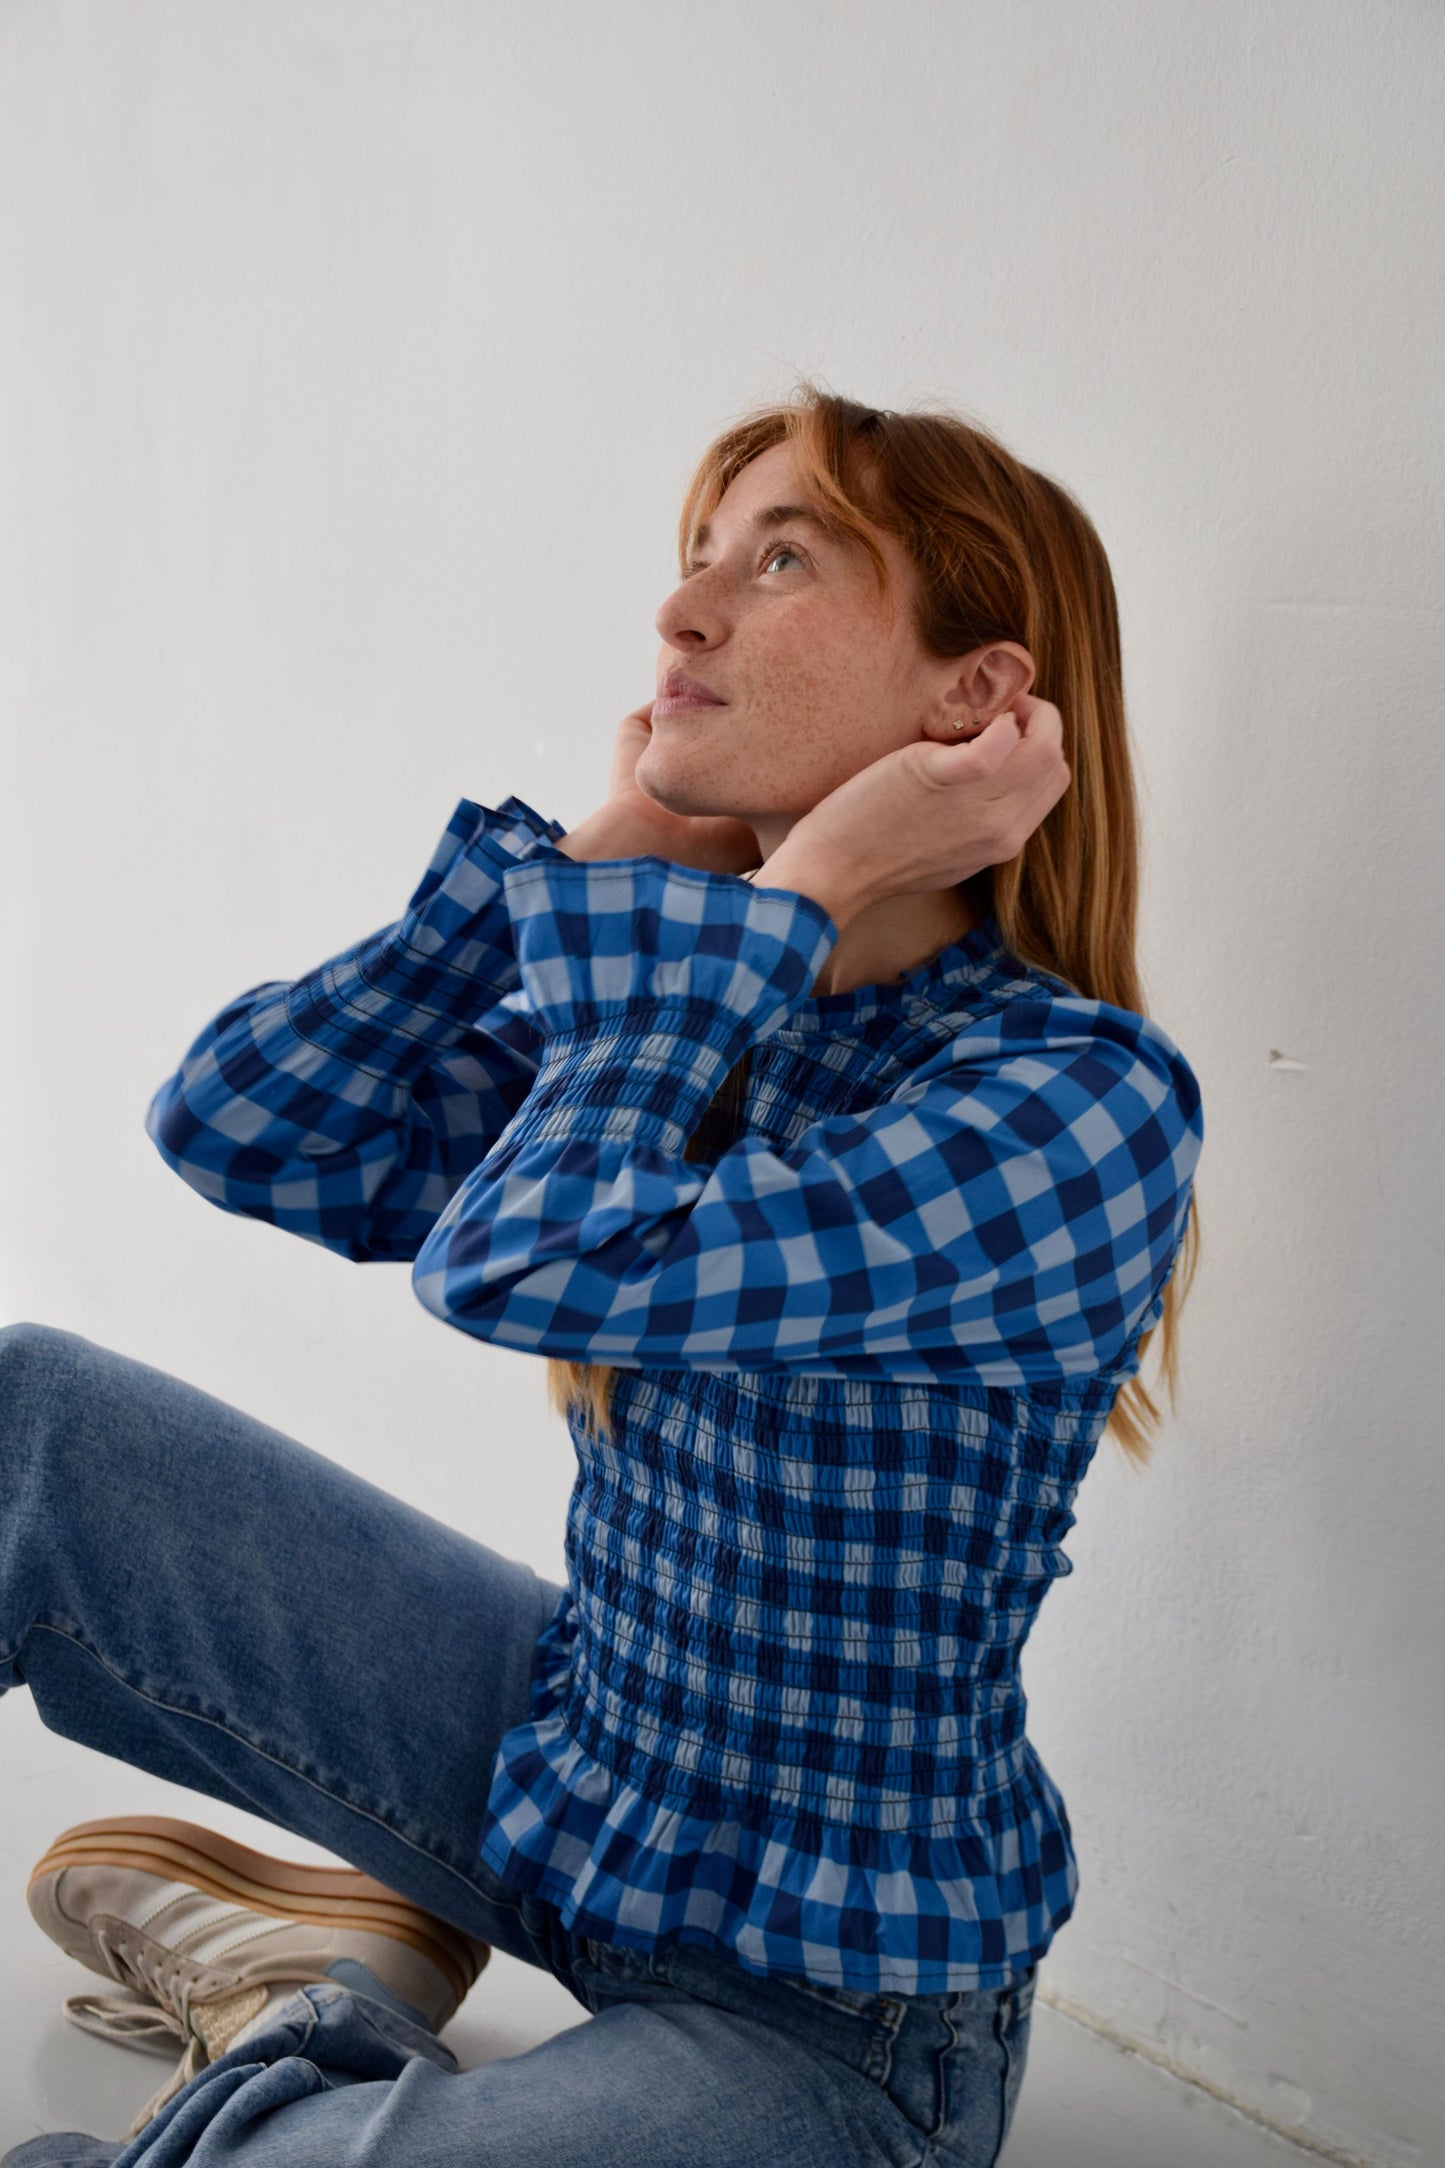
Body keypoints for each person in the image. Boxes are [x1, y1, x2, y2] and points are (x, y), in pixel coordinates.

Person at [1, 386, 1203, 2167]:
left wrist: (798, 884)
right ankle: (350, 1958)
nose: (682, 614)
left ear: (969, 703)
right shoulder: (712, 1026)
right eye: (694, 558)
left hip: (829, 2022)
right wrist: (592, 862)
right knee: (28, 1418)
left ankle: (318, 2011)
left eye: (780, 559)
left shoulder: (1072, 1108)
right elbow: (242, 1128)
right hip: (578, 1772)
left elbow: (524, 1257)